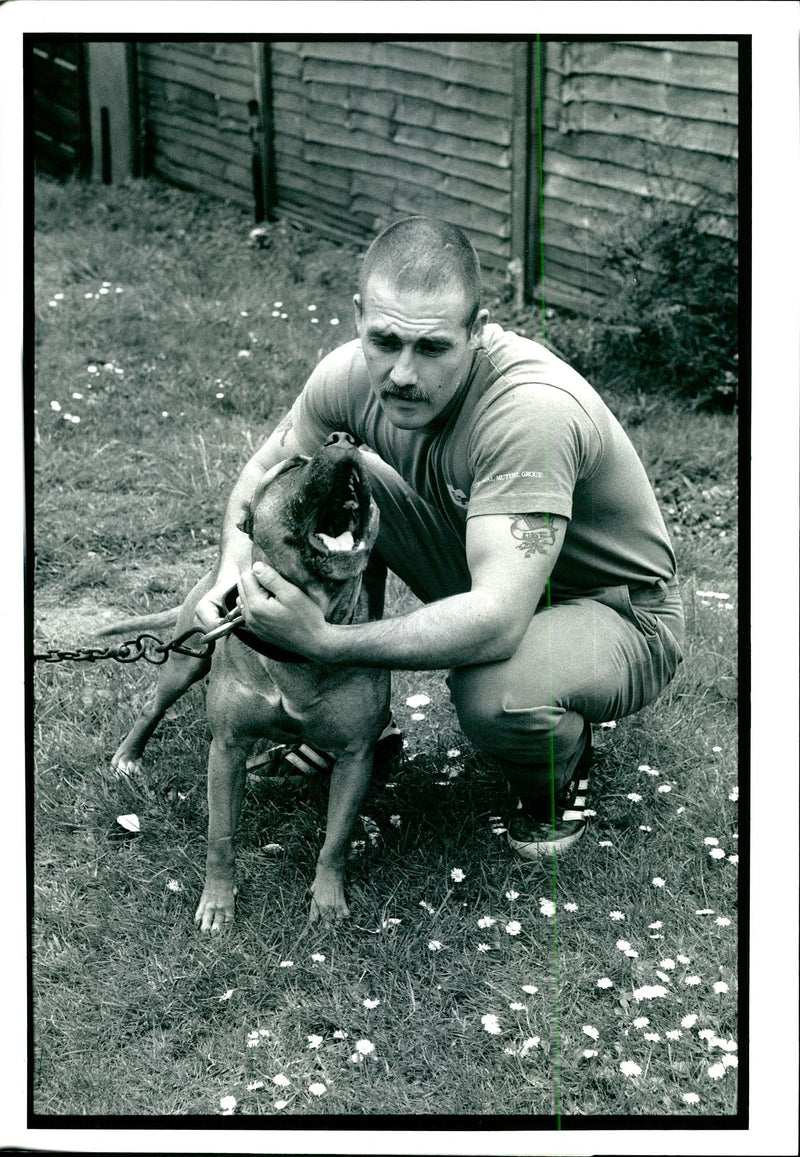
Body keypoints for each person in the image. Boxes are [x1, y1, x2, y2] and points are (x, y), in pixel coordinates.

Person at [196, 216, 684, 858]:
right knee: (343, 485)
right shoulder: (348, 377)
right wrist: (233, 570)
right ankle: (349, 718)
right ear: (360, 318)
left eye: (432, 348)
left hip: (613, 608)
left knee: (496, 693)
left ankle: (558, 770)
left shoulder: (528, 412)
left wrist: (327, 643)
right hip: (486, 562)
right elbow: (266, 479)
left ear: (476, 333)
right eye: (386, 340)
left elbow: (498, 619)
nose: (401, 373)